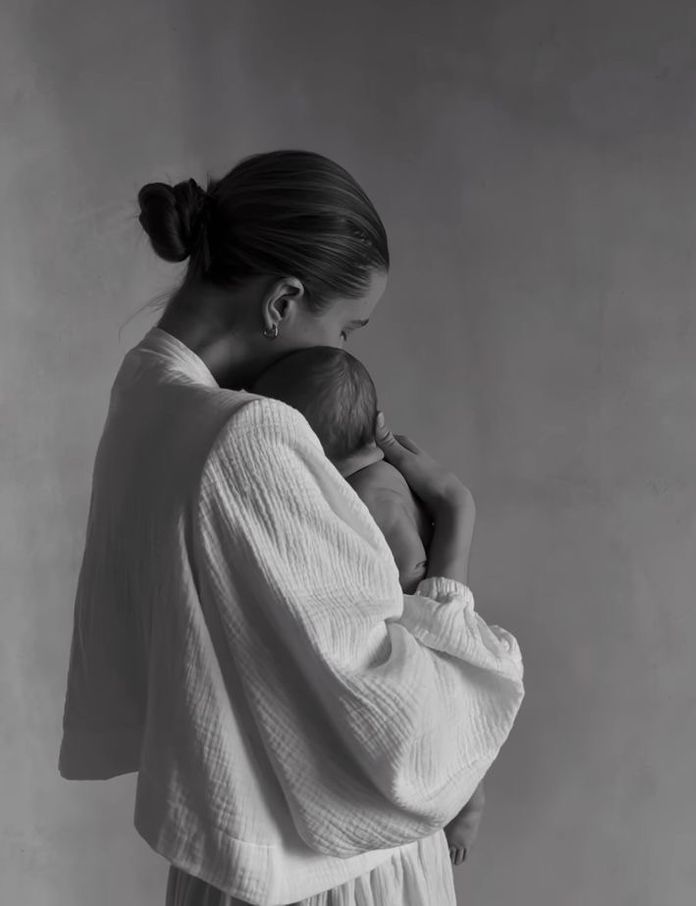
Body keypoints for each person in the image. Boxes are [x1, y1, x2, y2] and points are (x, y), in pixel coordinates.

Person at [58, 150, 524, 906]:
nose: (344, 356)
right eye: (347, 329)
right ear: (282, 301)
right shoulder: (247, 437)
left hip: (235, 870)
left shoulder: (143, 393)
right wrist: (453, 544)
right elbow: (401, 744)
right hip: (336, 876)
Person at [250, 345, 487, 866]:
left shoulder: (372, 489)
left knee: (444, 731)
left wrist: (401, 591)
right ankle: (464, 797)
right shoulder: (374, 479)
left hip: (423, 615)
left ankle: (467, 805)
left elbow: (410, 561)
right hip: (421, 621)